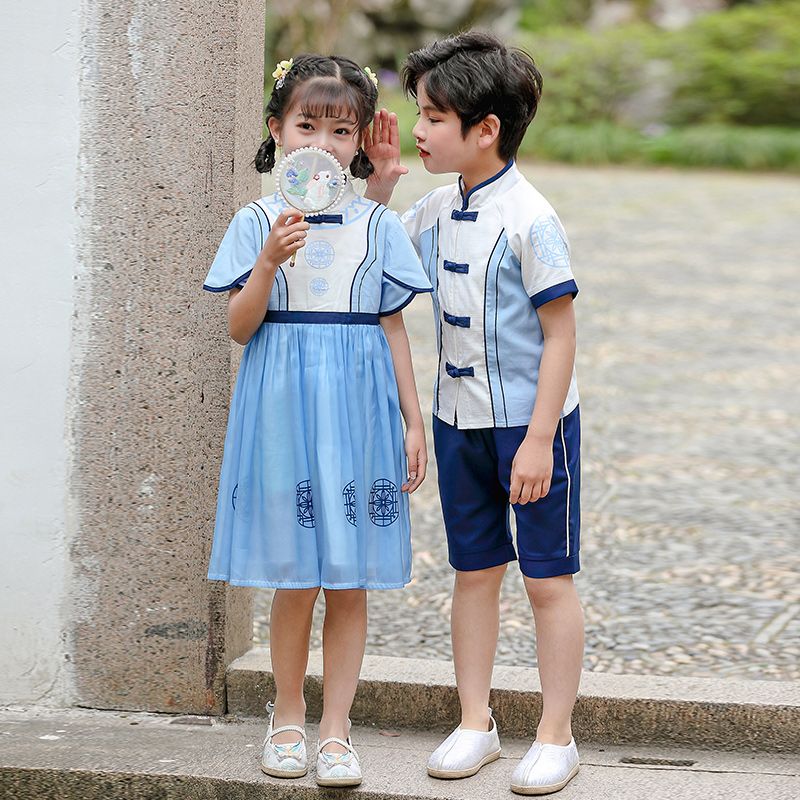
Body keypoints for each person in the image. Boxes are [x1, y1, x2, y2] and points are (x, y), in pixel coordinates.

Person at [203, 53, 431, 788]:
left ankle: (337, 726)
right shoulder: (258, 220)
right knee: (296, 575)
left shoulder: (377, 225)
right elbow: (240, 328)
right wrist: (268, 262)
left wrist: (412, 422)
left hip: (360, 406)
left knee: (351, 578)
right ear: (279, 130)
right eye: (308, 124)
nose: (325, 143)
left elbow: (393, 328)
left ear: (360, 141)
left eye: (342, 129)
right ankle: (289, 714)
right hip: (283, 404)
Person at [365, 31, 584, 795]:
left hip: (534, 427)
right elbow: (372, 259)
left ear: (485, 128)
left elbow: (562, 335)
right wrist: (380, 186)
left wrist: (538, 442)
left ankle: (556, 736)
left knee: (547, 579)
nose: (418, 130)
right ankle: (474, 722)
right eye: (418, 113)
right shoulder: (432, 209)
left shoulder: (531, 218)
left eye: (432, 117)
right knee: (474, 574)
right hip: (458, 420)